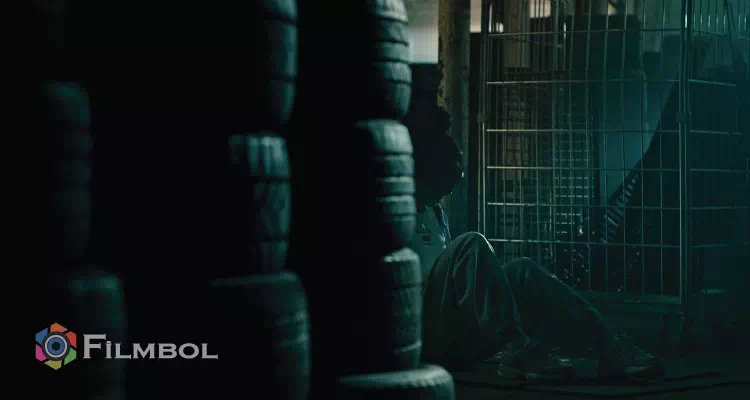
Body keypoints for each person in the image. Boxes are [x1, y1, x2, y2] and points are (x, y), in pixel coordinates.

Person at [410, 132, 667, 381]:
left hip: (456, 333)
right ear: (428, 171)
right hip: (424, 337)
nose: (452, 188)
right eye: (449, 176)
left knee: (523, 270)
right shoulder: (397, 213)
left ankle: (608, 346)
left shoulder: (435, 213)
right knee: (471, 242)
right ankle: (516, 346)